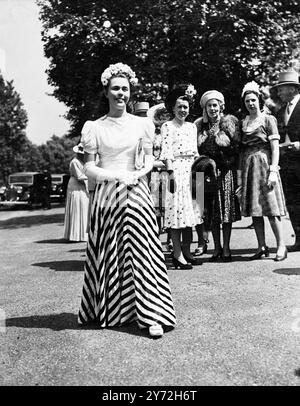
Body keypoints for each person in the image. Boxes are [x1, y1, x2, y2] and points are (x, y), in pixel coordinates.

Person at [78, 62, 176, 338]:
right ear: (106, 92)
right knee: (112, 251)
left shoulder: (143, 124)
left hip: (137, 192)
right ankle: (116, 311)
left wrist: (137, 173)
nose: (120, 93)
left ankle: (153, 315)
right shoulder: (94, 127)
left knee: (145, 253)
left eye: (125, 89)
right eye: (115, 89)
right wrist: (116, 176)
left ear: (130, 92)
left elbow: (148, 161)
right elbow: (89, 167)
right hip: (108, 195)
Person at [239, 81, 287, 261]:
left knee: (271, 208)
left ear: (259, 100)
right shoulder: (244, 122)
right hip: (249, 167)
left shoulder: (268, 119)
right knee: (256, 210)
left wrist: (274, 171)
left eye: (253, 100)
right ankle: (261, 246)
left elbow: (275, 148)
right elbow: (242, 150)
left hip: (265, 164)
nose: (250, 104)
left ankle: (281, 245)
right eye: (247, 102)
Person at [159, 84, 203, 269]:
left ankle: (186, 251)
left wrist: (199, 171)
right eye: (179, 107)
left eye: (185, 107)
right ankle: (176, 254)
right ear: (173, 108)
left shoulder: (192, 127)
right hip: (175, 170)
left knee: (190, 215)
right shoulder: (167, 126)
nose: (183, 110)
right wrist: (170, 175)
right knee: (176, 215)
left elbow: (195, 152)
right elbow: (166, 152)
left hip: (191, 170)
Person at [195, 90, 241, 262]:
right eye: (209, 106)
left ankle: (227, 248)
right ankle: (216, 248)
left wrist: (223, 165)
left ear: (221, 106)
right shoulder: (200, 127)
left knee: (226, 212)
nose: (212, 109)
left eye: (215, 105)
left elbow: (235, 149)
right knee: (211, 212)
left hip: (224, 173)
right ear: (205, 108)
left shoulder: (229, 123)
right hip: (206, 175)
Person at [273, 70, 300, 252]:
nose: (279, 93)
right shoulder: (281, 111)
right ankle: (299, 237)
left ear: (292, 89)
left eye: (281, 89)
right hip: (288, 164)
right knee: (292, 200)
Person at [63, 143, 89, 242]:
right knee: (77, 207)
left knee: (83, 207)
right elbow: (79, 176)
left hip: (82, 186)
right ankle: (75, 235)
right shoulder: (75, 162)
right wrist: (91, 178)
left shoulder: (84, 162)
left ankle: (83, 234)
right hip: (76, 186)